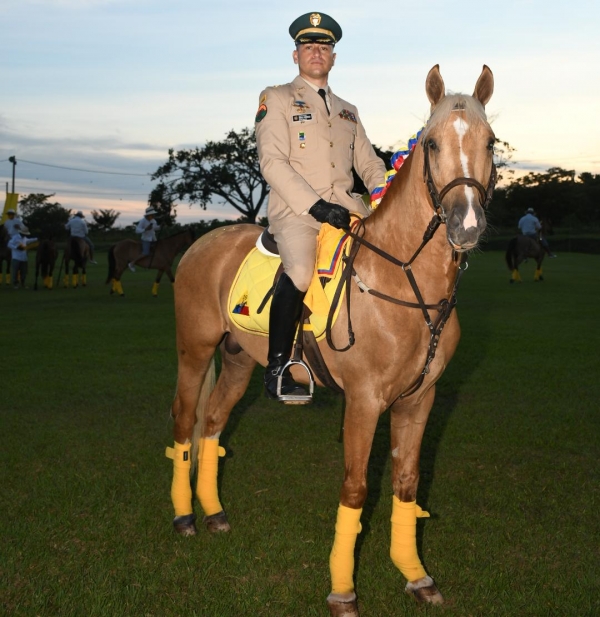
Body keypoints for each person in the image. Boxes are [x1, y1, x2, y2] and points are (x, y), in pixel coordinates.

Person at [255, 12, 387, 401]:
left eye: (324, 47)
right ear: (295, 55)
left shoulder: (349, 110)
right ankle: (278, 366)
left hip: (349, 210)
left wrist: (383, 191)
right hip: (297, 213)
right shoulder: (276, 98)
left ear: (333, 57)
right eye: (308, 46)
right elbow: (272, 162)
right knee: (299, 271)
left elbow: (369, 162)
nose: (317, 52)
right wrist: (315, 207)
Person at [128, 206, 161, 272]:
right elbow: (137, 230)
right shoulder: (143, 221)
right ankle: (132, 263)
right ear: (149, 215)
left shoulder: (153, 221)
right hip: (146, 239)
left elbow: (155, 228)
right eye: (152, 214)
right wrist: (145, 229)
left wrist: (160, 226)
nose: (153, 216)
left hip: (153, 239)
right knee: (146, 253)